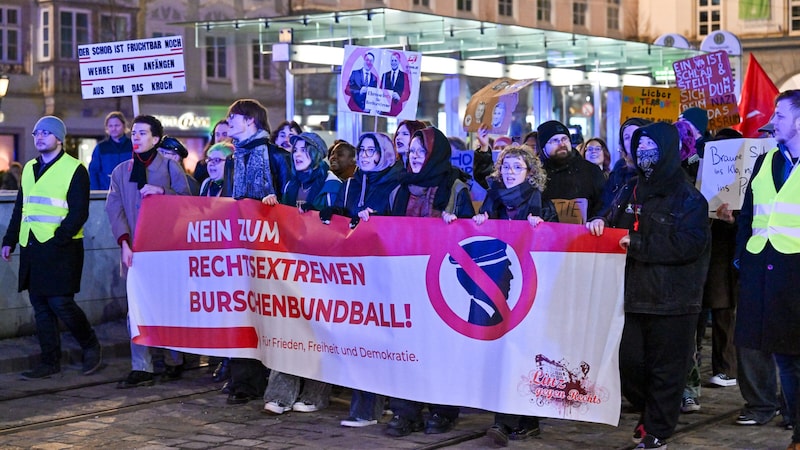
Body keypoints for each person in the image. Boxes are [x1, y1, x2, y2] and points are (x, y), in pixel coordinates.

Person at [586, 121, 711, 449]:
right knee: (629, 363)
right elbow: (609, 219)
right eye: (638, 149)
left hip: (673, 300)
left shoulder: (689, 198)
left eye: (650, 149)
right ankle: (649, 411)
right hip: (631, 295)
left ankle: (657, 429)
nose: (643, 155)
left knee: (667, 371)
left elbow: (689, 245)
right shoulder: (629, 189)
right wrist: (601, 222)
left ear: (668, 150)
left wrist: (639, 242)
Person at [385, 126, 474, 438]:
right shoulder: (399, 189)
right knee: (405, 349)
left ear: (436, 154)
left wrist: (457, 225)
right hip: (405, 281)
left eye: (421, 152)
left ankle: (442, 409)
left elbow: (470, 236)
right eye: (411, 152)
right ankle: (405, 411)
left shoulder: (455, 189)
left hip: (441, 282)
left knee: (439, 349)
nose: (415, 157)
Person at [1, 115, 102, 379]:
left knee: (61, 303)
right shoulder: (29, 168)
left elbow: (79, 212)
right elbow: (21, 208)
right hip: (32, 246)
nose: (39, 137)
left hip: (62, 248)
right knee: (40, 306)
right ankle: (49, 361)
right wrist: (9, 240)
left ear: (59, 138)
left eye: (46, 133)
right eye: (36, 133)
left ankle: (90, 345)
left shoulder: (74, 168)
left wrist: (59, 239)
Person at [472, 143, 556, 445]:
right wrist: (480, 223)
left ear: (529, 172)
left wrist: (542, 226)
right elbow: (482, 235)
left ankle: (514, 422)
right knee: (503, 351)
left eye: (516, 168)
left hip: (528, 287)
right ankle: (512, 421)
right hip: (498, 284)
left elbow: (554, 241)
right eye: (505, 166)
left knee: (521, 352)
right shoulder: (493, 197)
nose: (509, 173)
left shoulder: (538, 200)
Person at [105, 115, 192, 388]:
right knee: (137, 309)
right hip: (136, 251)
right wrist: (124, 243)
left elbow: (189, 204)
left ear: (155, 138)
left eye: (143, 133)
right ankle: (141, 366)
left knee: (168, 306)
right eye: (134, 133)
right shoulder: (121, 171)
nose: (137, 137)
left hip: (167, 252)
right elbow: (114, 208)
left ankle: (174, 359)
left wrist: (162, 191)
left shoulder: (169, 167)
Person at [734, 90, 800, 450]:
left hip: (795, 269)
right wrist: (742, 256)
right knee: (782, 355)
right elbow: (749, 212)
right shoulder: (766, 160)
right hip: (764, 268)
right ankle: (794, 426)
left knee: (795, 357)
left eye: (780, 115)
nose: (773, 122)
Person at [262, 132, 339, 415]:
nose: (297, 153)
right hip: (293, 268)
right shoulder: (292, 184)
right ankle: (281, 394)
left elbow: (334, 226)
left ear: (317, 153)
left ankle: (315, 394)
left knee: (318, 332)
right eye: (295, 149)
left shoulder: (331, 185)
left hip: (321, 270)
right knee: (289, 329)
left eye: (305, 149)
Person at [224, 98, 291, 405]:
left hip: (270, 250)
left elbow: (287, 201)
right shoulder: (231, 159)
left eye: (233, 119)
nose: (229, 125)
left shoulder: (277, 157)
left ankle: (269, 376)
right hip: (240, 250)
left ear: (250, 121)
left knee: (269, 315)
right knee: (242, 313)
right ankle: (242, 381)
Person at [537, 120, 606, 223]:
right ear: (543, 148)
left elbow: (604, 204)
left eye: (564, 139)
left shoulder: (591, 170)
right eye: (554, 140)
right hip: (546, 236)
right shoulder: (537, 174)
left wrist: (597, 220)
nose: (561, 144)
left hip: (585, 236)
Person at [601, 118, 651, 215]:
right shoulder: (619, 168)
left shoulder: (658, 169)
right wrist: (599, 220)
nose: (632, 140)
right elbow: (605, 205)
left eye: (636, 134)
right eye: (627, 137)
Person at [88, 111, 132, 191]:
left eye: (117, 125)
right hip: (106, 192)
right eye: (110, 126)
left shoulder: (133, 146)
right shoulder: (101, 147)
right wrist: (96, 192)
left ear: (124, 126)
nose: (113, 128)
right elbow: (93, 172)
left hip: (130, 192)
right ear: (107, 128)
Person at [194, 119, 230, 184]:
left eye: (225, 134)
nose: (220, 139)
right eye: (217, 134)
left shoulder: (237, 163)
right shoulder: (202, 165)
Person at [380, 52, 410, 116]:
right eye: (392, 60)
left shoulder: (404, 76)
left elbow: (407, 93)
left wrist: (399, 98)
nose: (393, 63)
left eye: (395, 60)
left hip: (397, 110)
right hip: (385, 110)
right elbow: (380, 90)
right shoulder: (385, 75)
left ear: (399, 61)